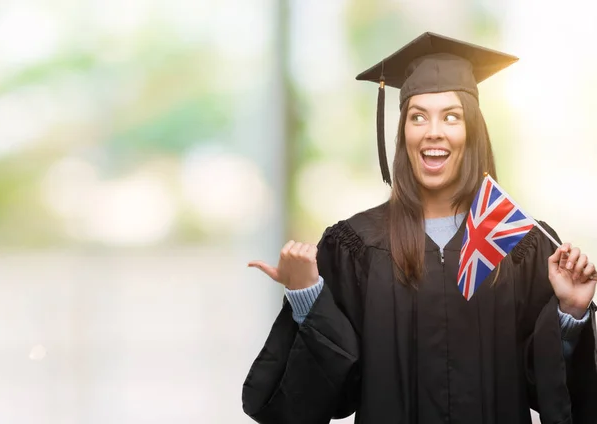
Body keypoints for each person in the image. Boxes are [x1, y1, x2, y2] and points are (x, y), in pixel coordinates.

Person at [241, 32, 597, 424]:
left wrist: (570, 312)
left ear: (472, 132)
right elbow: (330, 393)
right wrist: (307, 294)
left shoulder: (518, 245)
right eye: (418, 116)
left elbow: (543, 385)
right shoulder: (356, 247)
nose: (433, 131)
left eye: (451, 116)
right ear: (404, 133)